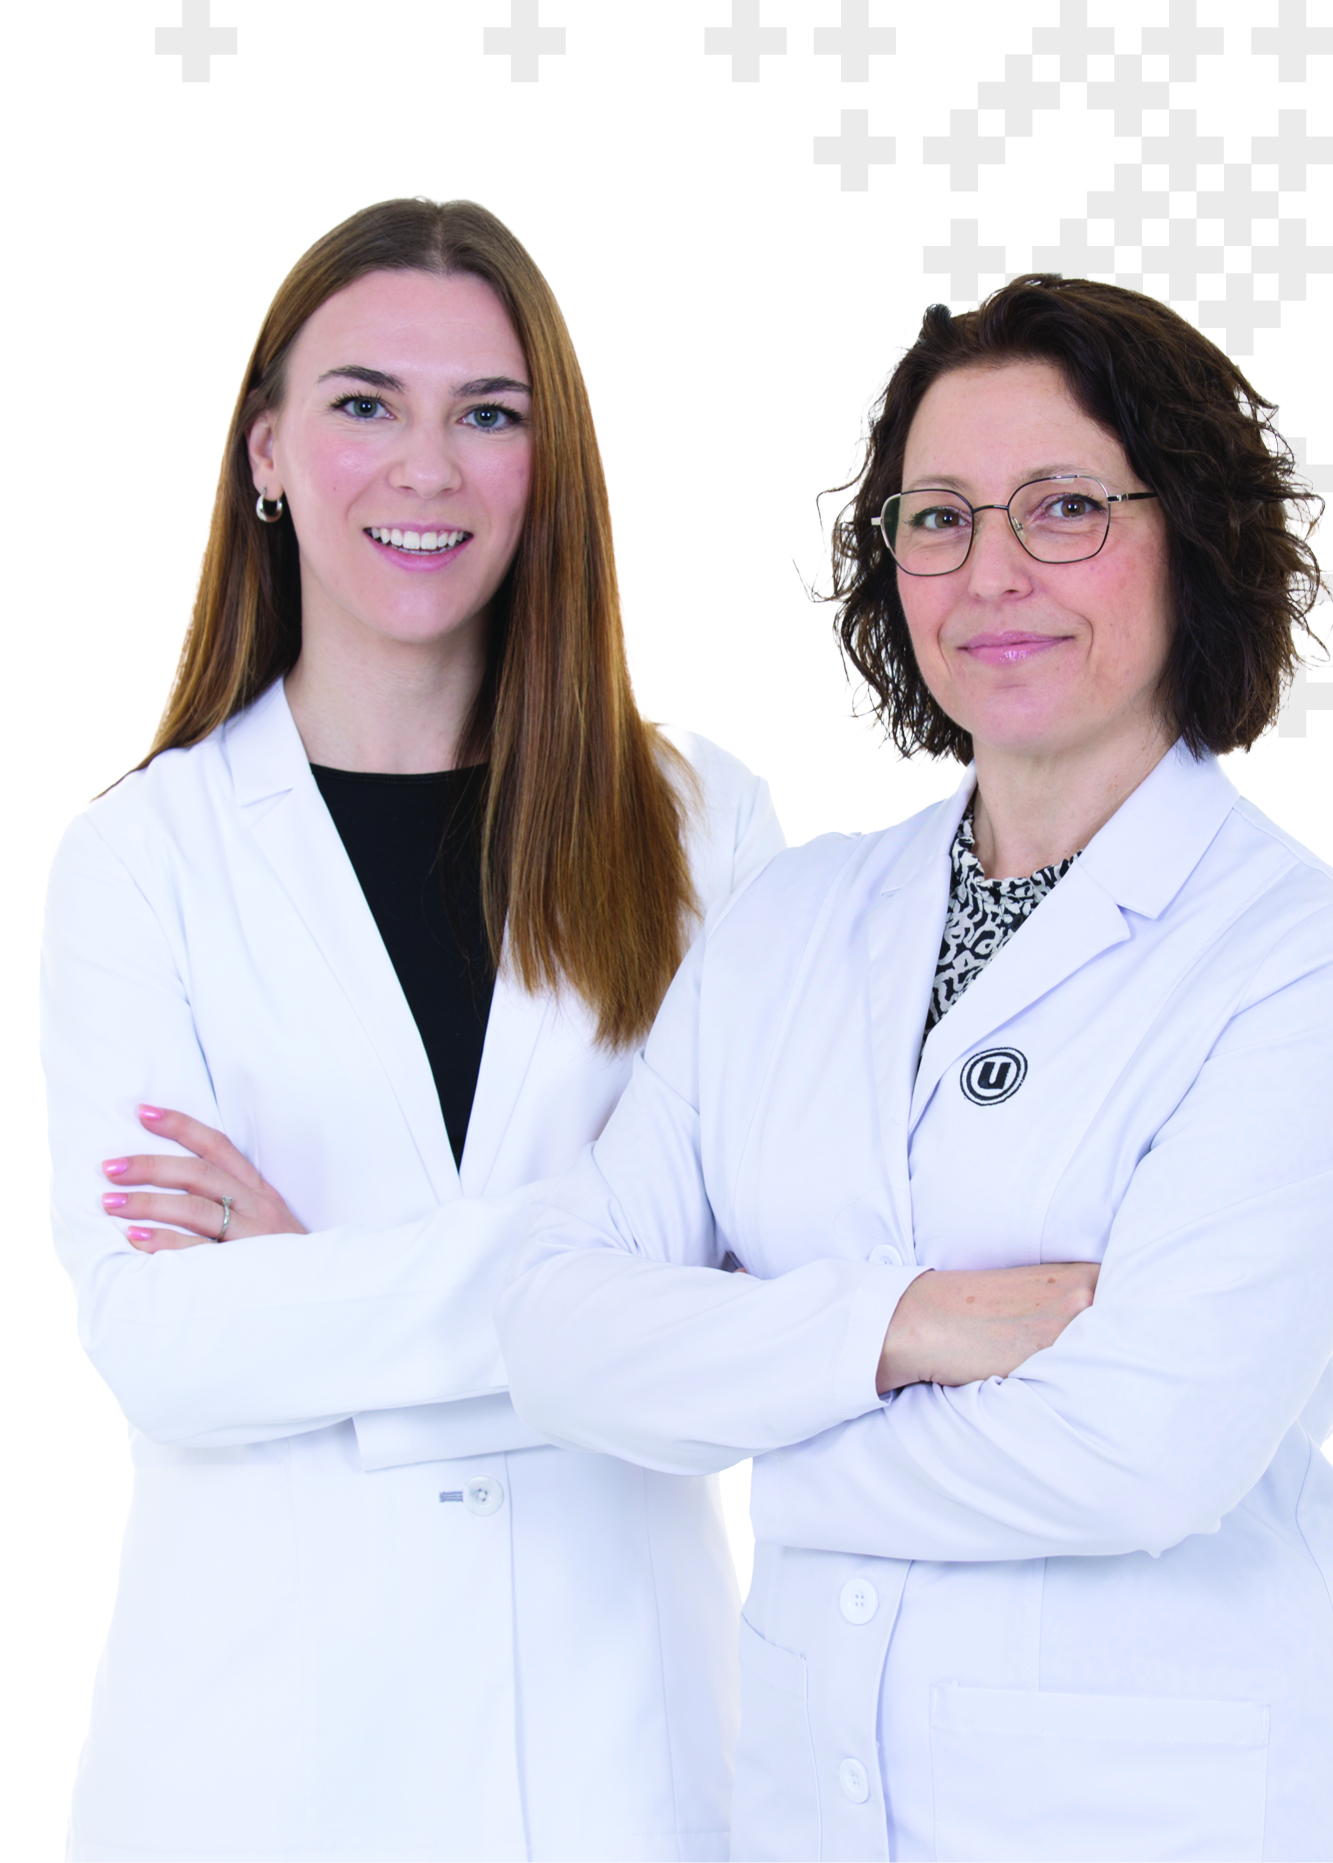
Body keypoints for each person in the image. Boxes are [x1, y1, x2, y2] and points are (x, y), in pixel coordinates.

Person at [497, 275, 1333, 1863]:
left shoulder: (1289, 960)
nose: (991, 572)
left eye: (1064, 507)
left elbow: (1142, 1452)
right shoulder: (792, 923)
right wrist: (896, 1326)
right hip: (812, 1808)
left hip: (1150, 1814)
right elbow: (552, 1324)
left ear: (1194, 537)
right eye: (938, 517)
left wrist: (761, 1429)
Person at [41, 197, 783, 1863]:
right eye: (366, 403)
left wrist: (315, 1287)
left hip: (620, 1770)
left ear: (549, 461)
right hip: (260, 1769)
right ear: (268, 451)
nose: (427, 468)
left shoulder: (701, 826)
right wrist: (603, 1280)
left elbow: (750, 1324)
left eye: (490, 414)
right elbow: (163, 1344)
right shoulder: (145, 858)